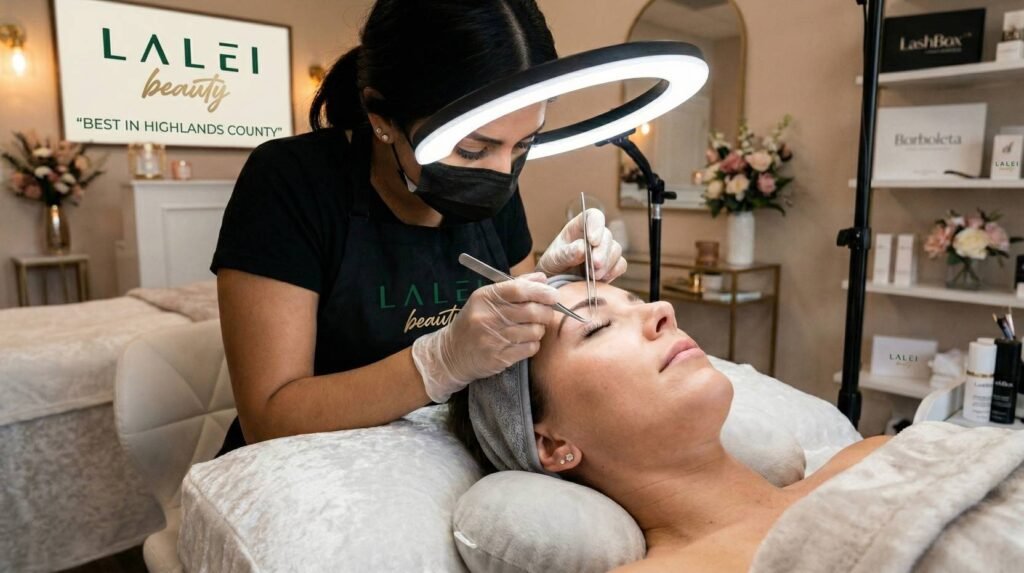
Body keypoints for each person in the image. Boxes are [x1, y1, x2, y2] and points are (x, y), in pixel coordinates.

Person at [210, 0, 627, 456]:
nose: (501, 173)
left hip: (447, 459)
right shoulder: (292, 180)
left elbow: (522, 354)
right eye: (471, 150)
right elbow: (267, 419)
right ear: (382, 118)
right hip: (306, 467)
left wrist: (552, 284)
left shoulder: (494, 182)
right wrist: (438, 362)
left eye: (523, 145)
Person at [449, 278, 892, 572]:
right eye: (597, 326)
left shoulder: (874, 457)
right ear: (550, 444)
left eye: (638, 302)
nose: (663, 309)